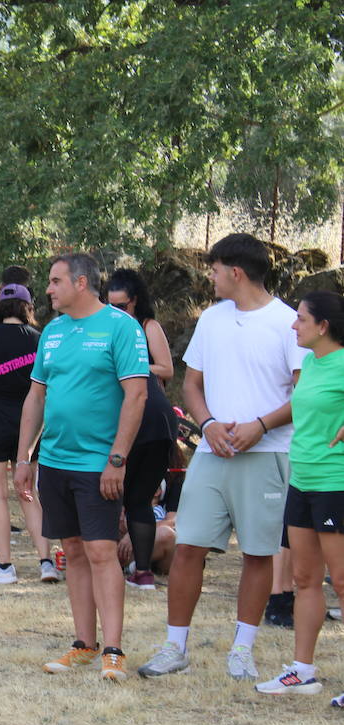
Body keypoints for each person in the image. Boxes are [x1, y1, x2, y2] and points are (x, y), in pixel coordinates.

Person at [137, 233, 305, 681]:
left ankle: (243, 651)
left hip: (268, 453)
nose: (208, 277)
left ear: (235, 272)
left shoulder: (288, 322)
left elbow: (303, 391)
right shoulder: (211, 320)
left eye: (214, 269)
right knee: (188, 545)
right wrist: (209, 425)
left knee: (257, 552)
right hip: (212, 454)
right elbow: (191, 384)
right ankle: (175, 646)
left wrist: (260, 426)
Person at [16, 253, 149, 682]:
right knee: (72, 551)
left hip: (98, 463)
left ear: (81, 282)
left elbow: (137, 396)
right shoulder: (52, 332)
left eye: (55, 281)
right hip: (54, 461)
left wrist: (117, 459)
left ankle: (113, 650)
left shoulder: (121, 327)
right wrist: (24, 458)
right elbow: (35, 398)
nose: (48, 289)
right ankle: (83, 644)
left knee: (100, 550)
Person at [253, 292, 344, 699]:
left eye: (302, 319)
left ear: (323, 326)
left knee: (341, 580)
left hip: (335, 483)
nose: (294, 326)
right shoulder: (311, 362)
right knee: (305, 579)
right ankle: (303, 671)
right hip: (302, 480)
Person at [0, 284, 53, 584]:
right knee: (29, 494)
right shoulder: (40, 340)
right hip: (31, 425)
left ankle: (5, 566)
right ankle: (46, 562)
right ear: (27, 307)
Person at [105, 268, 177, 590]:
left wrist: (131, 367)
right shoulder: (109, 329)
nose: (116, 312)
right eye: (111, 305)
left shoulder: (148, 327)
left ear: (136, 301)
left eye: (122, 306)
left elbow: (167, 368)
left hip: (146, 414)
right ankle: (139, 570)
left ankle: (137, 568)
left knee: (132, 496)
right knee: (131, 498)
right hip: (135, 413)